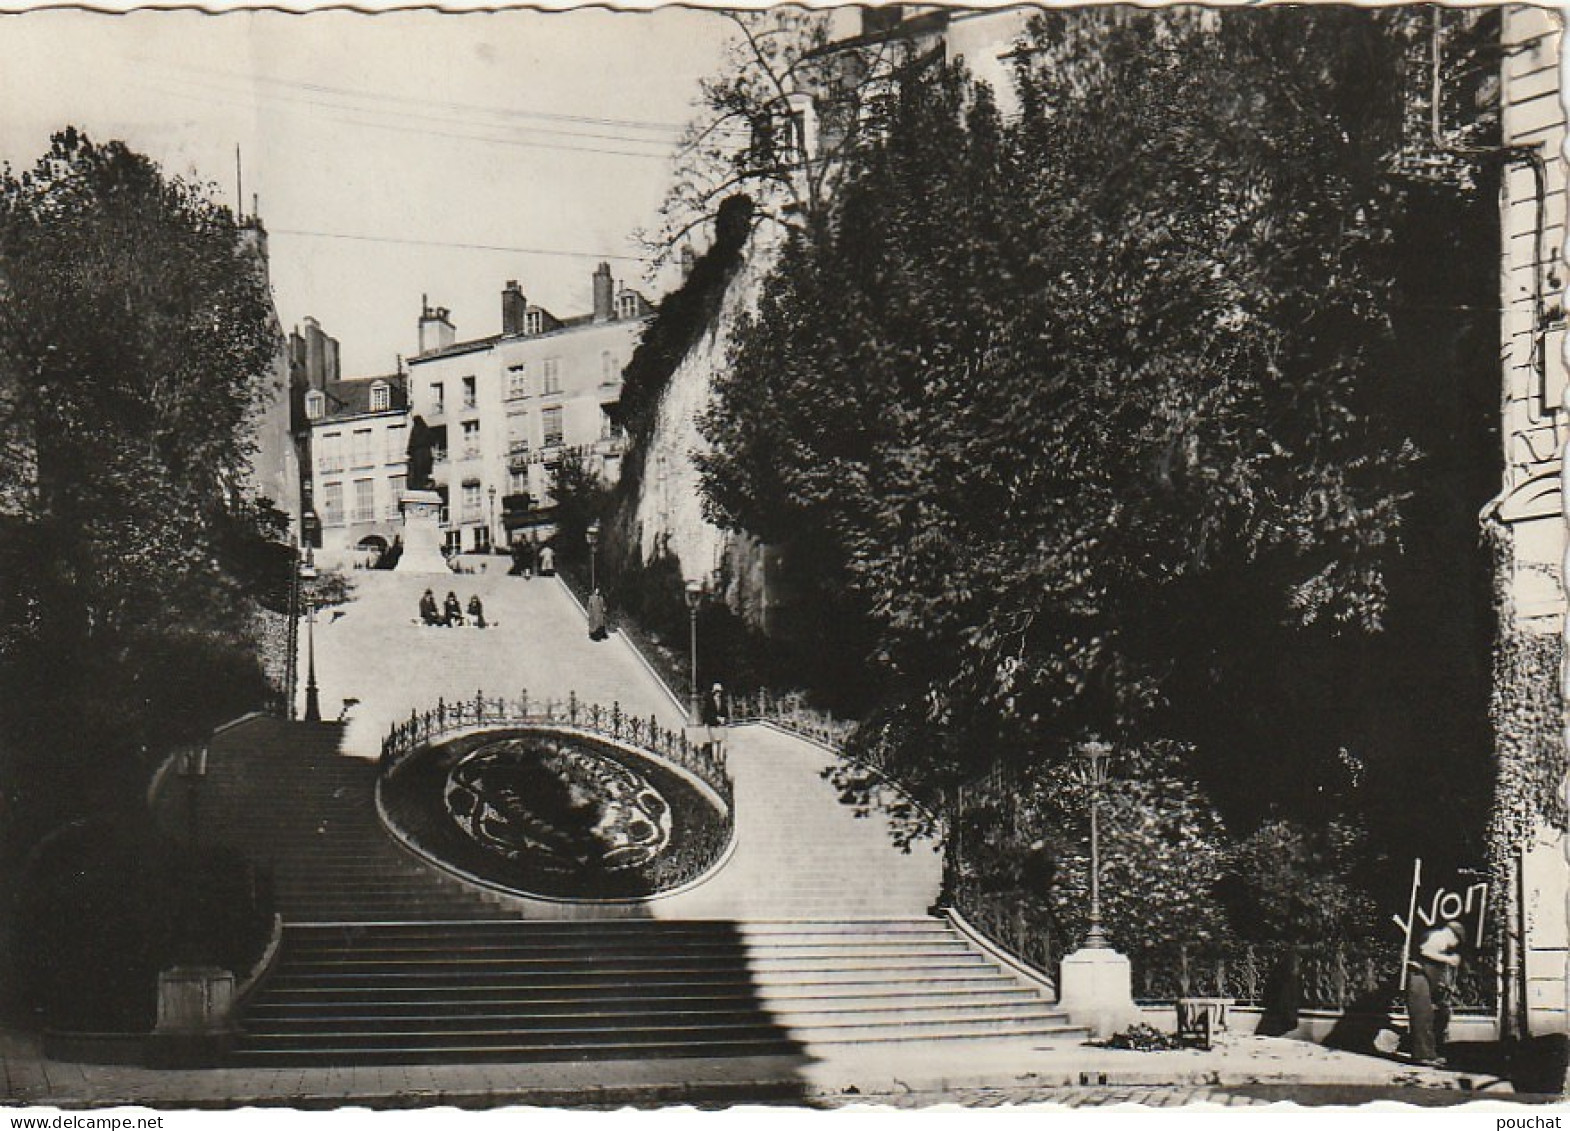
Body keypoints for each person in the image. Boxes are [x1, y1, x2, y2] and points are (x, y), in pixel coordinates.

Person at [1407, 918, 1465, 1066]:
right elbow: (1425, 951)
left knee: (1426, 1016)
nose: (1454, 946)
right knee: (1423, 1016)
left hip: (1422, 978)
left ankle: (1428, 1054)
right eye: (1457, 942)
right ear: (1454, 936)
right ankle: (1423, 1056)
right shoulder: (1439, 937)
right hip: (1418, 978)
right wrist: (1448, 959)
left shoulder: (1438, 938)